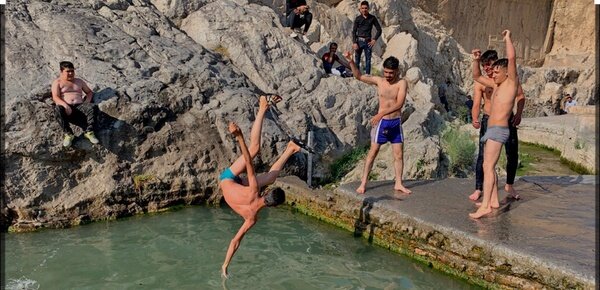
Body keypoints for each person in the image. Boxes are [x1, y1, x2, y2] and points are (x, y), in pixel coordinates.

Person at [220, 95, 304, 278]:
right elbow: (235, 241)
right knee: (264, 165)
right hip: (230, 182)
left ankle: (266, 112)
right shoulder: (251, 219)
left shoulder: (253, 191)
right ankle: (264, 108)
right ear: (273, 206)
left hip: (229, 179)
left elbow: (250, 163)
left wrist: (239, 136)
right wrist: (225, 265)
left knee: (255, 151)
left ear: (266, 193)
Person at [343, 51, 411, 195]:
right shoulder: (379, 81)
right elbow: (359, 76)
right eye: (386, 72)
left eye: (391, 73)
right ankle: (363, 183)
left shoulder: (402, 83)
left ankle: (398, 183)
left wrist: (380, 114)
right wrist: (350, 61)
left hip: (395, 123)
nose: (388, 75)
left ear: (397, 71)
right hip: (382, 124)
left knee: (398, 155)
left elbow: (399, 104)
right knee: (373, 153)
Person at [469, 30, 519, 219]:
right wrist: (475, 60)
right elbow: (476, 77)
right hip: (492, 128)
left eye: (497, 72)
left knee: (488, 166)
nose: (494, 74)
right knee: (488, 165)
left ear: (507, 73)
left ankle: (485, 207)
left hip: (499, 130)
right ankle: (493, 200)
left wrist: (507, 39)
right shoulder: (497, 85)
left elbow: (512, 58)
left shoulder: (510, 83)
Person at [51, 61, 99, 147]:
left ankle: (89, 132)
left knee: (93, 107)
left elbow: (89, 92)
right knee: (58, 109)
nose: (70, 73)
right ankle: (68, 134)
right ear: (61, 71)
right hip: (66, 107)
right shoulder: (57, 82)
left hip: (80, 106)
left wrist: (87, 102)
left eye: (72, 71)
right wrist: (65, 106)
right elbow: (55, 97)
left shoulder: (79, 81)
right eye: (68, 71)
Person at [351, 1, 382, 75]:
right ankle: (356, 75)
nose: (364, 9)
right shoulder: (358, 18)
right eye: (362, 8)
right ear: (360, 9)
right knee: (357, 59)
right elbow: (354, 31)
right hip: (359, 41)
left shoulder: (372, 18)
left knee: (368, 59)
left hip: (368, 41)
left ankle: (367, 75)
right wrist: (354, 42)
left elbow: (379, 30)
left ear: (368, 8)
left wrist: (374, 40)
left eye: (366, 8)